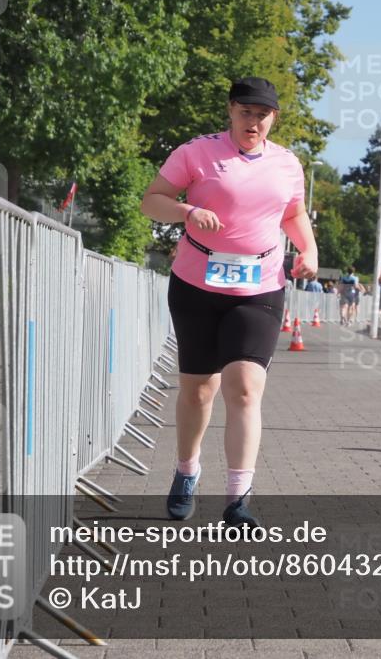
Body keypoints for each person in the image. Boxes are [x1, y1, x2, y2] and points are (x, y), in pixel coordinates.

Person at [140, 76, 317, 526]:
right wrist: (187, 211)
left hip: (259, 287)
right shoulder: (196, 152)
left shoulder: (287, 164)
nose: (253, 122)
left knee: (244, 387)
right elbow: (152, 201)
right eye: (245, 112)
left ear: (274, 118)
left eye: (262, 115)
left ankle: (238, 500)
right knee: (199, 390)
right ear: (231, 111)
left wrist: (309, 250)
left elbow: (294, 214)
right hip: (196, 283)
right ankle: (186, 471)